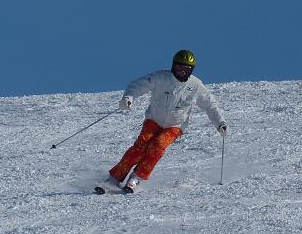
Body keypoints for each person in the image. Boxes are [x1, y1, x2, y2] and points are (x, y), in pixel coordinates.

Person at [97, 50, 227, 193]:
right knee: (141, 145)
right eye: (179, 67)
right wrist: (128, 98)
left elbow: (210, 106)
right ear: (173, 65)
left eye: (187, 68)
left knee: (158, 146)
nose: (182, 71)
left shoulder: (196, 86)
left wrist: (220, 123)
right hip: (154, 119)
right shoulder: (161, 78)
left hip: (175, 125)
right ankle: (115, 178)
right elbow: (138, 85)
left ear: (191, 70)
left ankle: (136, 178)